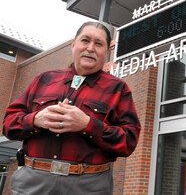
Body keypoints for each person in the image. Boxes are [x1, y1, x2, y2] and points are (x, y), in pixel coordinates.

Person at [3, 21, 141, 195]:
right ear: (73, 45)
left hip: (89, 186)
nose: (90, 48)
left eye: (98, 44)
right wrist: (36, 120)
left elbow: (129, 142)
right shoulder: (44, 79)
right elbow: (8, 125)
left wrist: (88, 125)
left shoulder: (118, 89)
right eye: (85, 40)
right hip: (33, 181)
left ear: (107, 52)